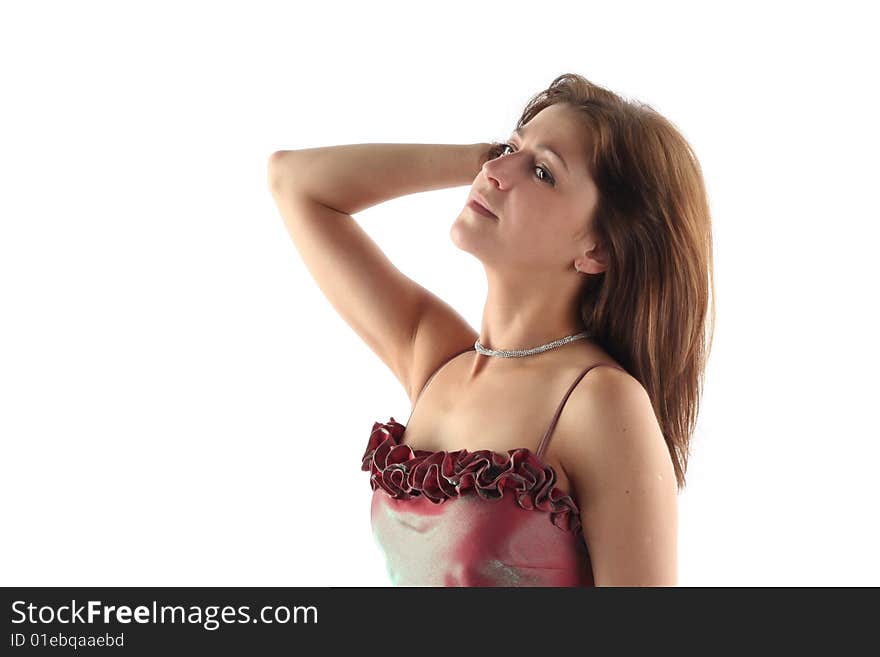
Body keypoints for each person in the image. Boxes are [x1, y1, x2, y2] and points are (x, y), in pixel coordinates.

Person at [267, 72, 715, 587]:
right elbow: (293, 181)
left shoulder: (602, 402)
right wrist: (482, 159)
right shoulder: (433, 359)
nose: (498, 172)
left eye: (543, 173)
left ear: (598, 250)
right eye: (509, 149)